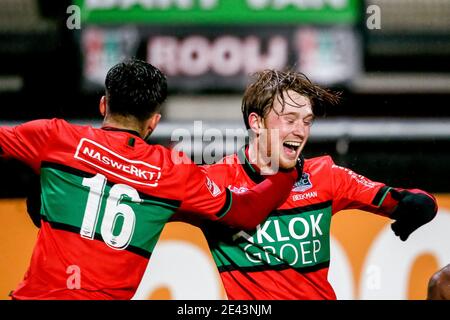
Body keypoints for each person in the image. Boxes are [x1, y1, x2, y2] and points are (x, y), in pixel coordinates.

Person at [0, 59, 300, 300]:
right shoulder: (174, 170)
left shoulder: (54, 137)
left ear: (104, 104)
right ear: (154, 122)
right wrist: (289, 171)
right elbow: (245, 212)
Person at [180, 69, 438, 299]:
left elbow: (404, 200)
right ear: (256, 123)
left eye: (307, 121)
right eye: (289, 119)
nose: (301, 131)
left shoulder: (326, 175)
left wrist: (422, 204)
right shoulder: (215, 180)